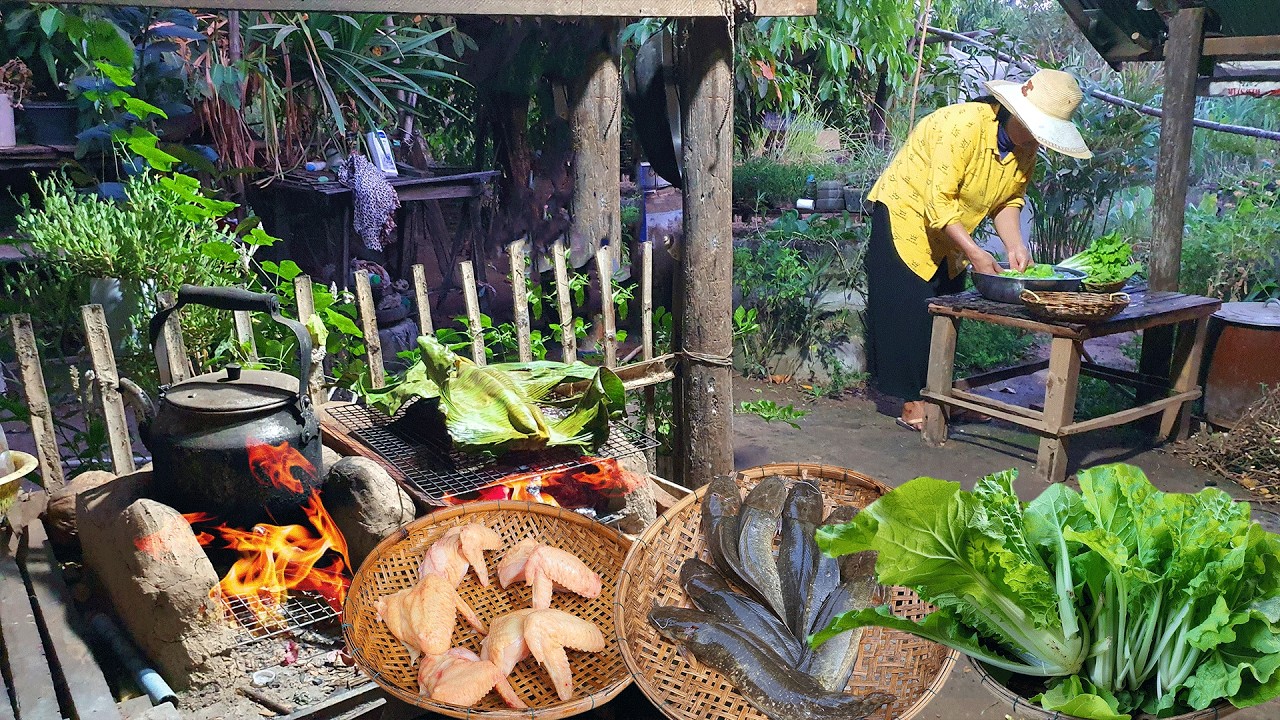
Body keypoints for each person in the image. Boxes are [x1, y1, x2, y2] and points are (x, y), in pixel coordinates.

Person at [865, 68, 1092, 431]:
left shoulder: (1025, 149)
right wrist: (974, 252)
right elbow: (938, 200)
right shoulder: (962, 126)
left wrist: (1015, 244)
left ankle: (940, 395)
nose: (1039, 141)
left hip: (949, 231)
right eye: (1038, 130)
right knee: (908, 308)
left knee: (943, 308)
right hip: (905, 214)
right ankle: (912, 404)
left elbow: (1009, 200)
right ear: (1016, 113)